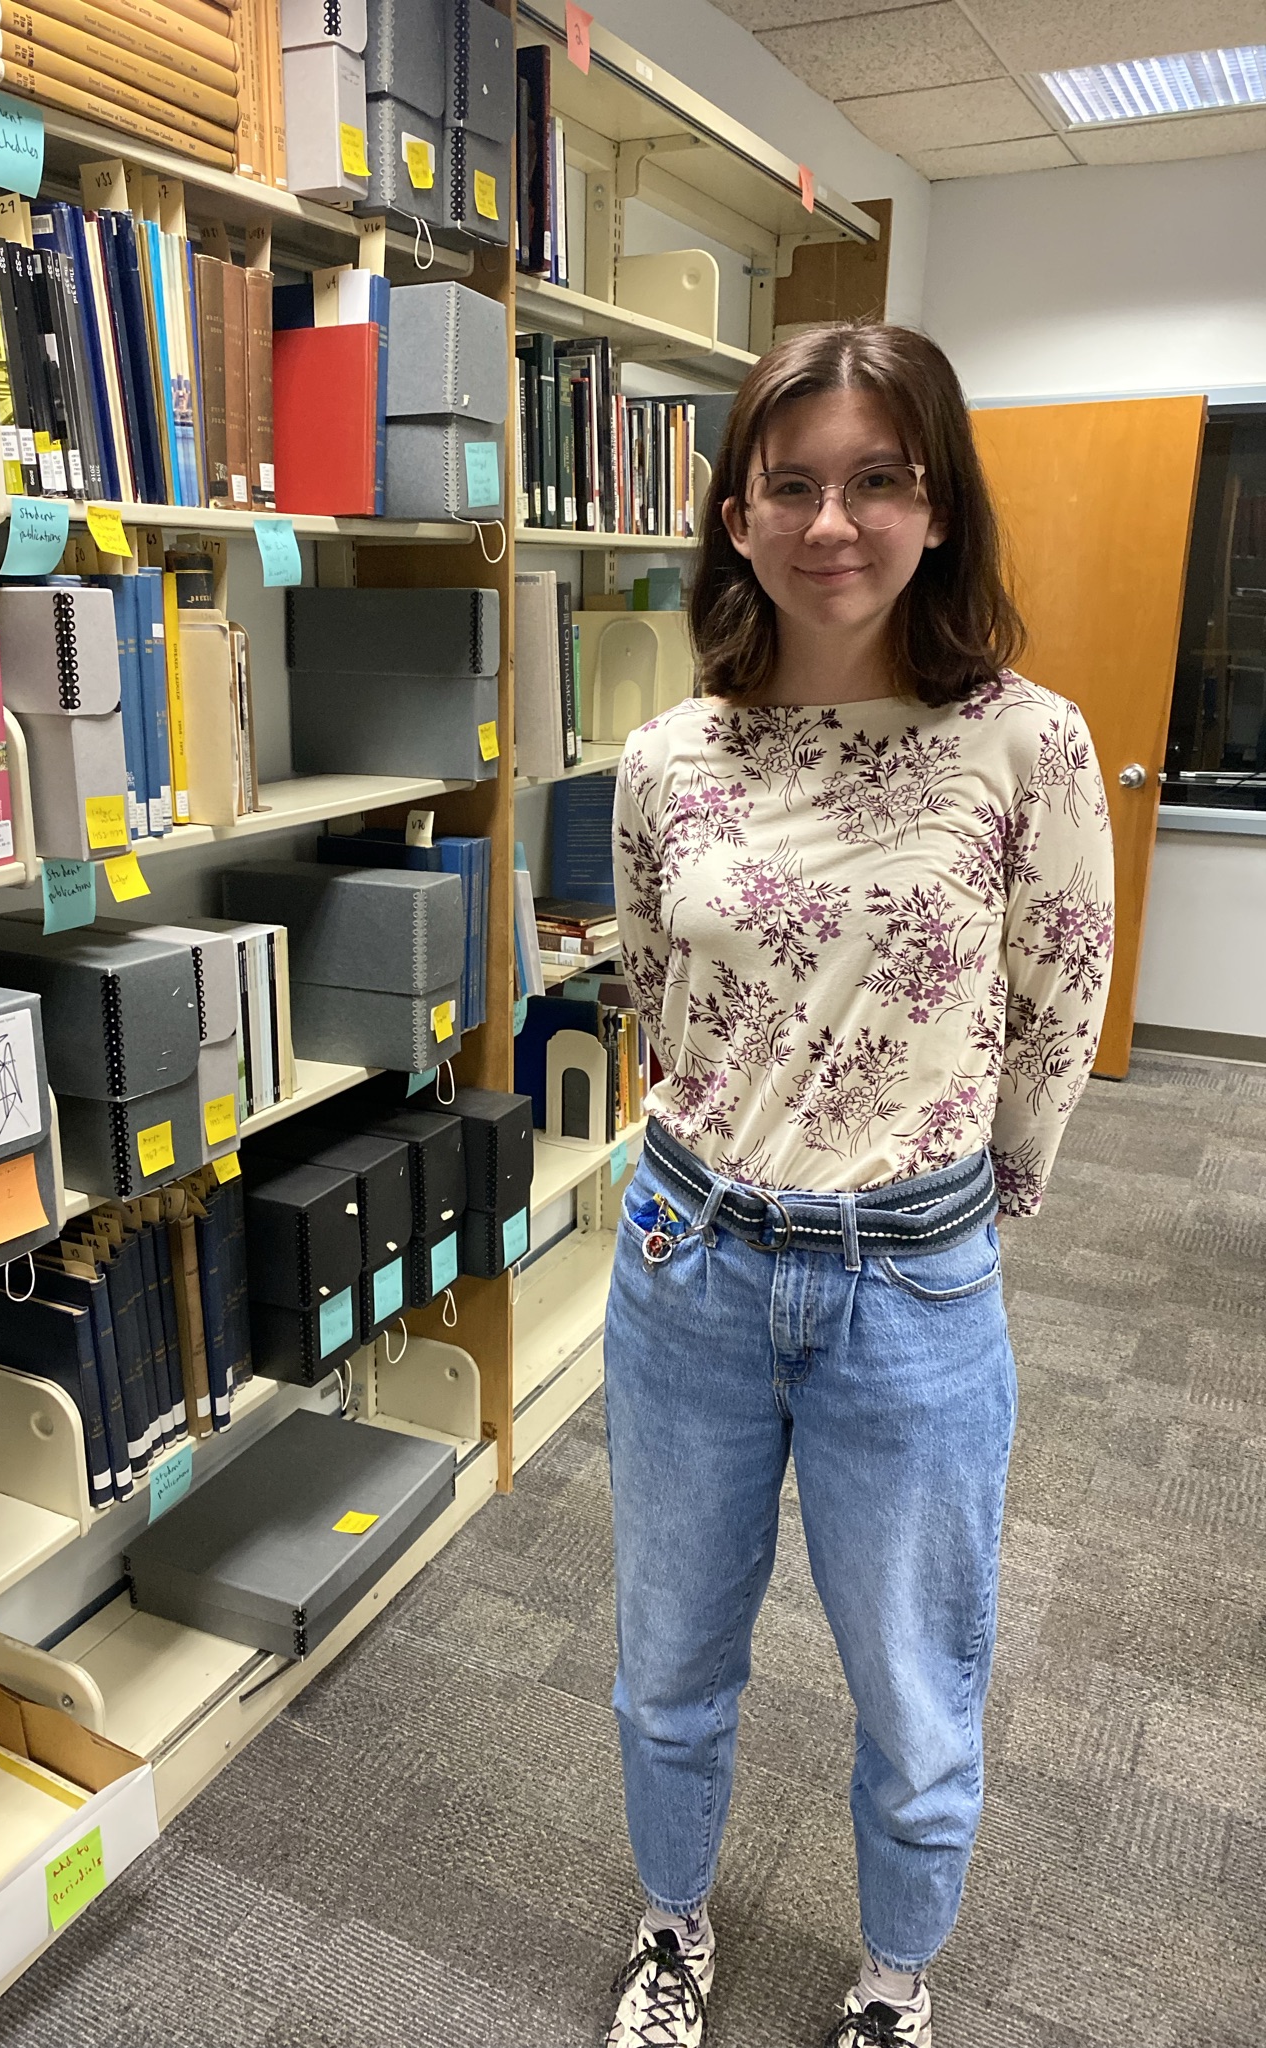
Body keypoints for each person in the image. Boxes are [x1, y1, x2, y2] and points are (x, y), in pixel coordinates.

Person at [601, 323, 1115, 2048]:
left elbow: (1056, 1007)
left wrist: (958, 1214)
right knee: (671, 1659)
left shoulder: (1028, 747)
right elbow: (647, 990)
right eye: (795, 483)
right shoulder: (668, 760)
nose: (836, 521)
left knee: (914, 1687)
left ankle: (894, 1980)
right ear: (734, 515)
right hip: (689, 1257)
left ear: (941, 504)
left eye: (880, 479)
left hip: (914, 1280)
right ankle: (672, 1928)